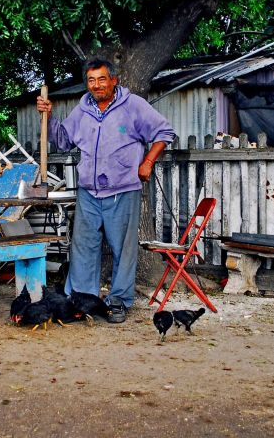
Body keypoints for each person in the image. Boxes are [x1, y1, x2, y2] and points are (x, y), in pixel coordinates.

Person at [37, 59, 175, 323]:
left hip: (122, 189)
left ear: (114, 80)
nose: (96, 85)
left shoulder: (133, 105)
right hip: (89, 191)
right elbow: (64, 140)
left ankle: (118, 302)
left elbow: (164, 132)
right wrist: (49, 116)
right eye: (91, 80)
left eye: (102, 79)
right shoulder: (83, 108)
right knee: (83, 247)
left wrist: (147, 162)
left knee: (123, 249)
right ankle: (81, 301)